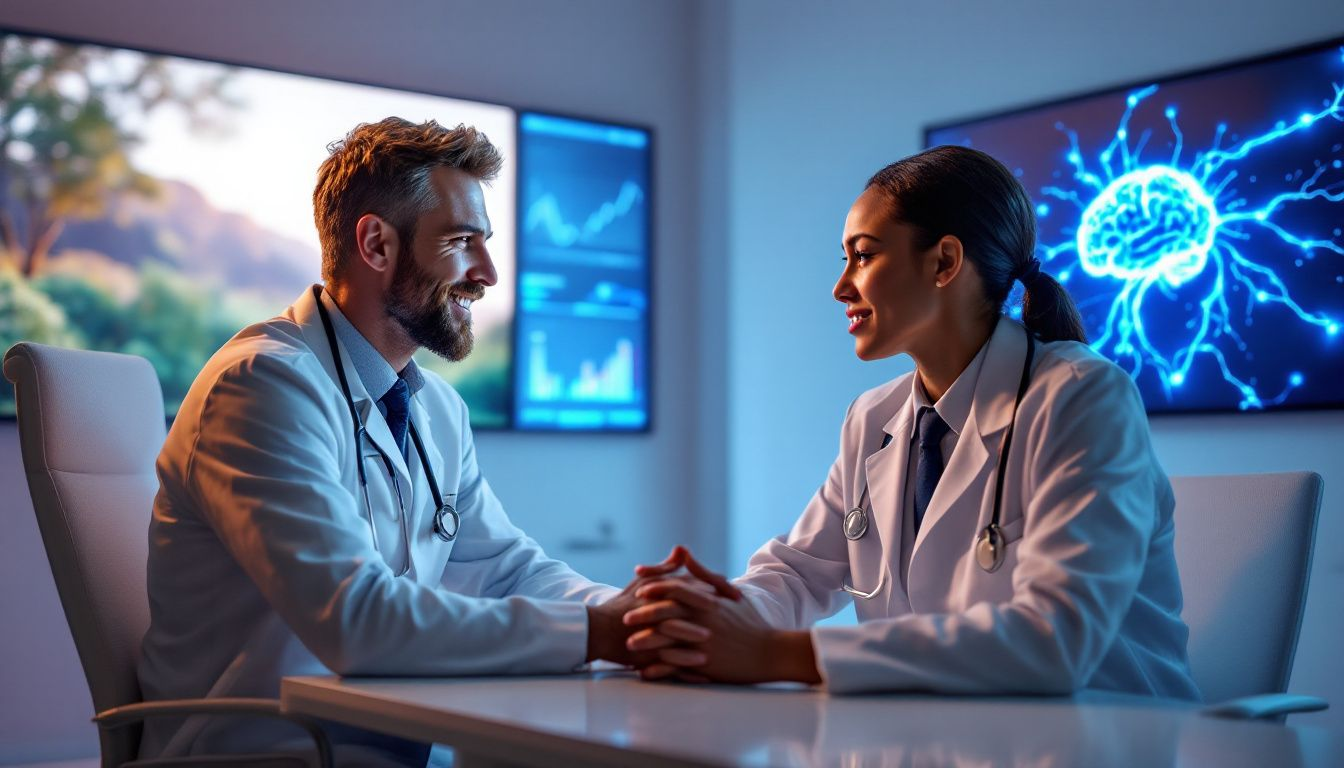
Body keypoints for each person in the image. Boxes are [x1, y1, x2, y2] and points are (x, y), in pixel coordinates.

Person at [138, 118, 677, 764]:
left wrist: (635, 616)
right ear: (376, 245)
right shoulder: (261, 386)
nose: (489, 274)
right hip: (264, 752)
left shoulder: (435, 408)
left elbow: (507, 570)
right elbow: (356, 620)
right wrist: (597, 632)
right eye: (461, 241)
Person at [624, 146, 1201, 701]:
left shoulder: (1080, 397)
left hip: (1105, 738)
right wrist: (707, 621)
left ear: (945, 262)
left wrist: (772, 655)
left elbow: (1055, 639)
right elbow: (799, 573)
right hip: (943, 736)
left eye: (864, 255)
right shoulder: (874, 417)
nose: (840, 285)